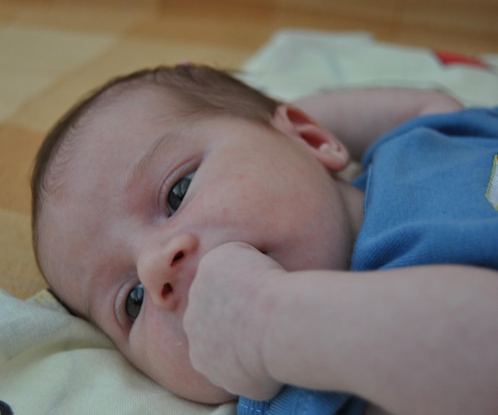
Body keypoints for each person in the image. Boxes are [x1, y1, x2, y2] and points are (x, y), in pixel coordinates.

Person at [30, 64, 498, 415]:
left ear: (313, 138)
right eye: (132, 301)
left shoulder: (415, 143)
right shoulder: (298, 394)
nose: (154, 268)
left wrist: (290, 131)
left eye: (177, 192)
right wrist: (271, 326)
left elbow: (430, 102)